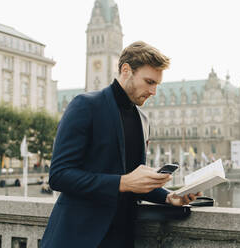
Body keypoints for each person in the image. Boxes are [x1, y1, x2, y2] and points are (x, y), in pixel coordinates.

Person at [41, 41, 200, 248]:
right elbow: (59, 176)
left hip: (121, 237)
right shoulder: (85, 105)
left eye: (157, 85)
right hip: (77, 237)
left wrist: (169, 197)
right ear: (126, 70)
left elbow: (134, 183)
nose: (154, 92)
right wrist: (123, 182)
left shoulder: (143, 120)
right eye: (149, 82)